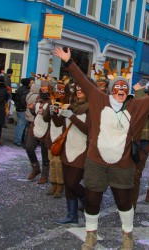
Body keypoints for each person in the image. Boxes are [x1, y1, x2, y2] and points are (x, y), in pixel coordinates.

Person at [54, 46, 149, 250]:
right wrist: (69, 62)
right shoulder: (98, 99)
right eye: (117, 87)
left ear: (128, 91)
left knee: (124, 201)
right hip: (96, 162)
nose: (121, 91)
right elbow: (83, 81)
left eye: (124, 88)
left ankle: (127, 235)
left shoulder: (136, 106)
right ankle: (91, 235)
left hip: (122, 164)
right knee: (91, 200)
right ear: (111, 90)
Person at [54, 81, 89, 224]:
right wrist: (55, 113)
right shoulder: (70, 106)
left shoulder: (91, 108)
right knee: (68, 184)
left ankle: (89, 200)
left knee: (72, 183)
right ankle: (72, 215)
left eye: (82, 89)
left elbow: (89, 130)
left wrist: (71, 116)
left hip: (82, 150)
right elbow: (58, 124)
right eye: (77, 89)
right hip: (67, 148)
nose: (79, 91)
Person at [131, 80, 149, 209]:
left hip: (144, 142)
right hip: (130, 140)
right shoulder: (133, 103)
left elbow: (147, 108)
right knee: (125, 173)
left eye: (147, 94)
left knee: (136, 175)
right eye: (143, 93)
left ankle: (132, 205)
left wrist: (138, 90)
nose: (145, 96)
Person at [24, 77, 51, 184]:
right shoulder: (39, 98)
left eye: (46, 87)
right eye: (43, 86)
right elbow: (36, 112)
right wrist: (31, 108)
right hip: (36, 126)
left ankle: (44, 175)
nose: (44, 89)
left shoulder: (53, 99)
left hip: (47, 128)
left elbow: (52, 115)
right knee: (29, 147)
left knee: (45, 153)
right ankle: (36, 168)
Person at [13, 78, 30, 146]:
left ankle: (18, 139)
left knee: (19, 124)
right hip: (23, 109)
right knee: (22, 125)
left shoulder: (19, 89)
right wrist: (26, 106)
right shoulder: (26, 90)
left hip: (18, 108)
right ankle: (18, 140)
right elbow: (23, 100)